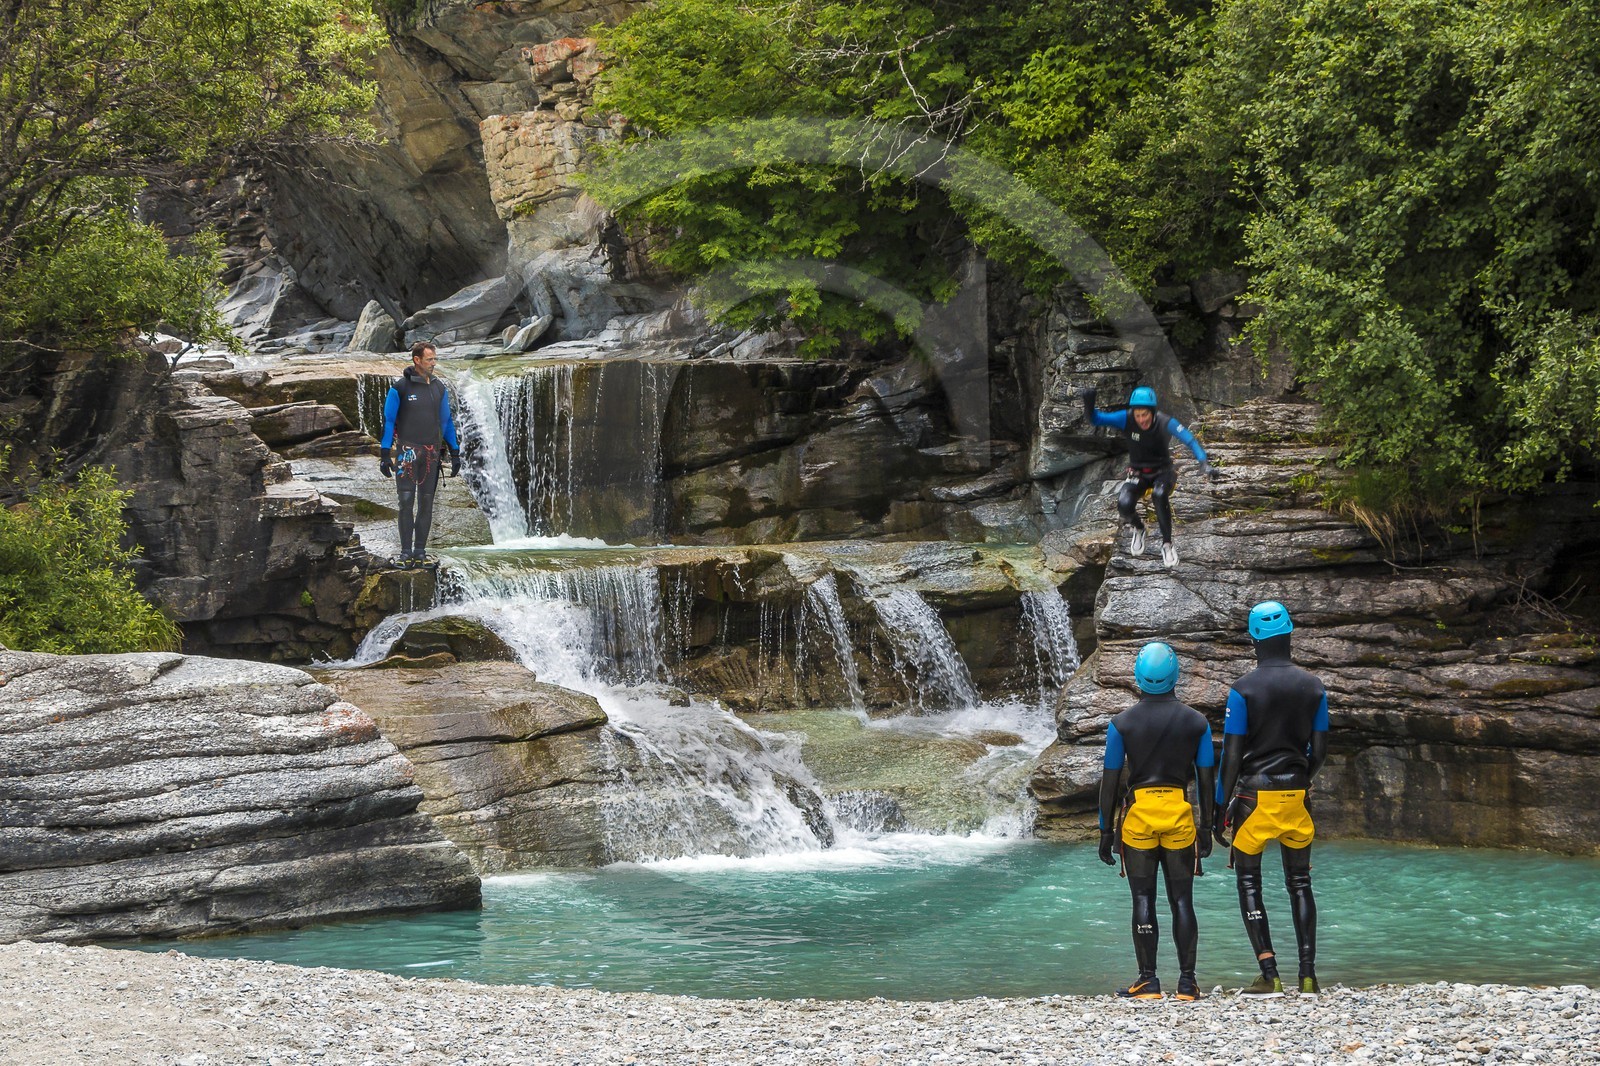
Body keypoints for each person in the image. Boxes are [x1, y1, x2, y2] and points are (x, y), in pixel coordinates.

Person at [1212, 600, 1329, 997]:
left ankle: (1269, 974)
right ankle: (1308, 976)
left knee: (1249, 882)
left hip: (1253, 797)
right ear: (1289, 633)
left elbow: (1231, 757)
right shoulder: (1314, 687)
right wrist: (1302, 779)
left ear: (1254, 639)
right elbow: (1320, 751)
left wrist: (1218, 808)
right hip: (1296, 795)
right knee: (1300, 882)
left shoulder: (1242, 690)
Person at [1096, 641, 1216, 1001]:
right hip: (1179, 815)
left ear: (1138, 676)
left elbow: (1110, 782)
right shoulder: (1197, 723)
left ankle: (1148, 980)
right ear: (1175, 675)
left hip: (1139, 819)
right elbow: (1206, 780)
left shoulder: (1121, 725)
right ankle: (1188, 983)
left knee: (1142, 897)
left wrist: (1105, 831)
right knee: (1182, 901)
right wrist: (1207, 828)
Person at [1079, 384, 1217, 568]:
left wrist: (1204, 463)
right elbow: (1096, 419)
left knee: (1159, 495)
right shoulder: (1126, 419)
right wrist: (1089, 403)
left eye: (1144, 415)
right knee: (1124, 504)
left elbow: (1190, 440)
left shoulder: (1165, 422)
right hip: (1139, 474)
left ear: (1152, 412)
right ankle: (1139, 528)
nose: (1141, 419)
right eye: (1137, 415)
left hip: (1163, 473)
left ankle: (1167, 544)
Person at [379, 340, 460, 565]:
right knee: (406, 501)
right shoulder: (400, 388)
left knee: (426, 503)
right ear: (417, 360)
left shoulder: (439, 388)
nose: (433, 363)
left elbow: (446, 421)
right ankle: (406, 552)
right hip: (407, 453)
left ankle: (420, 552)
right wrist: (385, 454)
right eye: (429, 359)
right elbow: (389, 421)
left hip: (431, 455)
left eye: (435, 359)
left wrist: (455, 452)